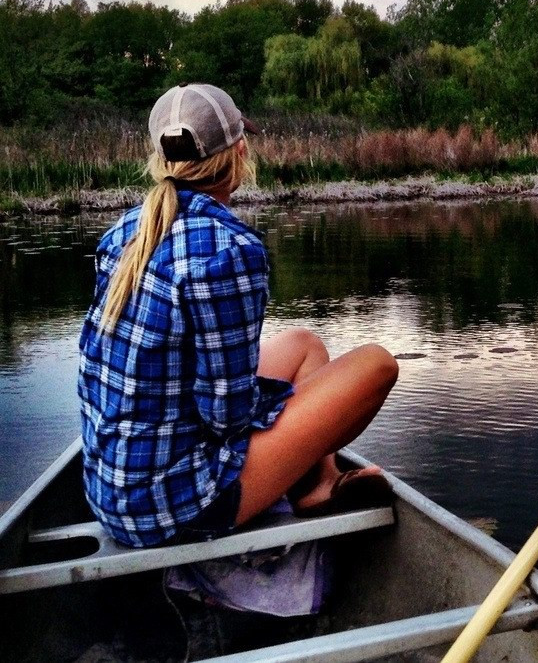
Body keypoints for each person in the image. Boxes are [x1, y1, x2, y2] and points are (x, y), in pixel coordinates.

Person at [79, 83, 398, 548]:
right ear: (240, 152)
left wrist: (289, 401)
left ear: (162, 159)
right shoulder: (229, 249)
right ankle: (301, 476)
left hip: (108, 491)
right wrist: (293, 404)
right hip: (172, 507)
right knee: (376, 365)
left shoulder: (124, 232)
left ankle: (318, 486)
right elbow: (226, 417)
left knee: (305, 345)